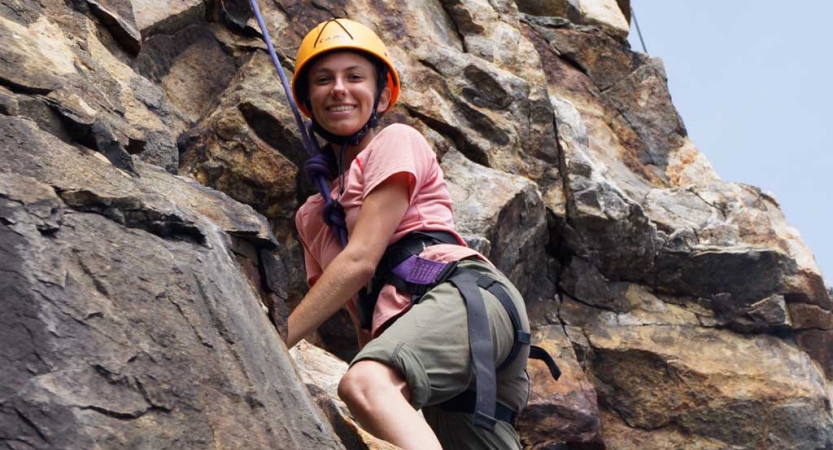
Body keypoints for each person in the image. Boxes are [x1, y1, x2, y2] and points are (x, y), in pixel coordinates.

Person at [286, 18, 533, 450]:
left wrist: (275, 337)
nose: (339, 88)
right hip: (435, 331)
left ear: (382, 96)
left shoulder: (396, 141)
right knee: (383, 394)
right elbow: (362, 318)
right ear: (308, 102)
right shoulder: (312, 216)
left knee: (365, 384)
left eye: (354, 77)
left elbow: (360, 261)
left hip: (463, 297)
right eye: (323, 80)